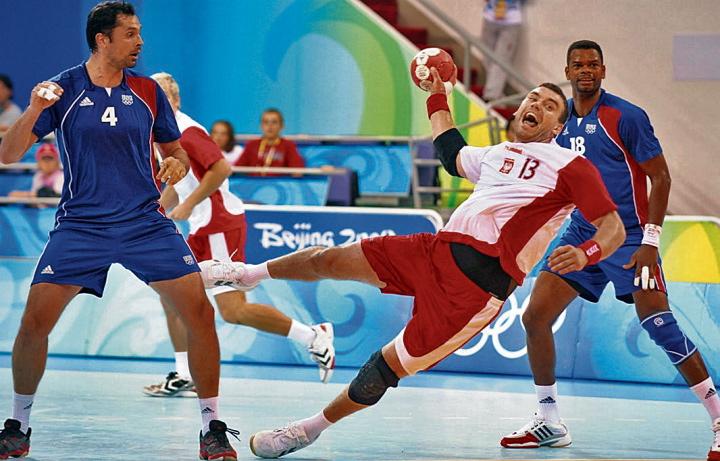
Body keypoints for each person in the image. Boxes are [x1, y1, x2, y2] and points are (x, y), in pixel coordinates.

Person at [201, 67, 627, 458]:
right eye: (532, 98)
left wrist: (587, 252)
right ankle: (247, 274)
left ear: (558, 128)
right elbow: (450, 150)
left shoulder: (571, 165)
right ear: (518, 110)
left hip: (474, 290)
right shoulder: (496, 154)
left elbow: (613, 227)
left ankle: (308, 429)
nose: (537, 105)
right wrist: (437, 93)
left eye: (549, 106)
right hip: (434, 250)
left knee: (381, 370)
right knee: (330, 258)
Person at [0, 3, 237, 460]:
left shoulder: (148, 91)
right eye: (130, 33)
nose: (140, 42)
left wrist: (176, 163)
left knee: (200, 313)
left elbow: (176, 152)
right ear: (102, 39)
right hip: (81, 225)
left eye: (139, 32)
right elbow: (8, 154)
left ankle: (212, 427)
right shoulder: (62, 90)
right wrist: (33, 110)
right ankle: (17, 425)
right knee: (33, 324)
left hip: (145, 222)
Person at [500, 40, 720, 461]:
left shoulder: (626, 116)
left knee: (659, 324)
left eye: (593, 64)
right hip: (582, 233)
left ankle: (718, 418)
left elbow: (661, 178)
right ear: (567, 71)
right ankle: (549, 420)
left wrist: (651, 242)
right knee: (535, 316)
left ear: (603, 71)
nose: (586, 70)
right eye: (578, 64)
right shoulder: (559, 119)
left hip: (630, 237)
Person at [142, 72, 335, 398]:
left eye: (160, 98)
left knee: (233, 310)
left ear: (174, 100)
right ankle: (184, 374)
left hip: (218, 224)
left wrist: (189, 204)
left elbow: (221, 168)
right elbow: (181, 181)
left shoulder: (187, 131)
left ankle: (314, 337)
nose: (153, 105)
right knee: (171, 294)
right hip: (202, 227)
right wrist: (156, 209)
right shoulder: (165, 134)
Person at [235, 109, 305, 172]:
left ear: (282, 126)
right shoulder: (251, 145)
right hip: (254, 182)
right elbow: (236, 169)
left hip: (278, 182)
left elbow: (298, 171)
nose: (270, 126)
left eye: (274, 122)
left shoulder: (288, 145)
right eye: (266, 122)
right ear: (261, 126)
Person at [479, 0, 522, 102]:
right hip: (489, 18)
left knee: (501, 58)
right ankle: (496, 93)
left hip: (511, 22)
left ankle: (491, 95)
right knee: (487, 57)